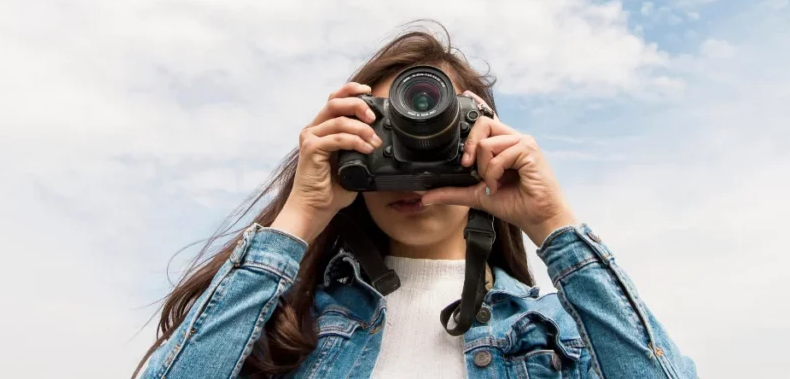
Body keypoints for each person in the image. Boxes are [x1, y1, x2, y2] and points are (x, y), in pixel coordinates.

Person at [133, 24, 698, 379]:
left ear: (485, 145)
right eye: (388, 135)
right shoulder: (286, 329)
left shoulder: (556, 335)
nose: (411, 164)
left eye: (438, 133)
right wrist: (299, 218)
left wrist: (553, 223)